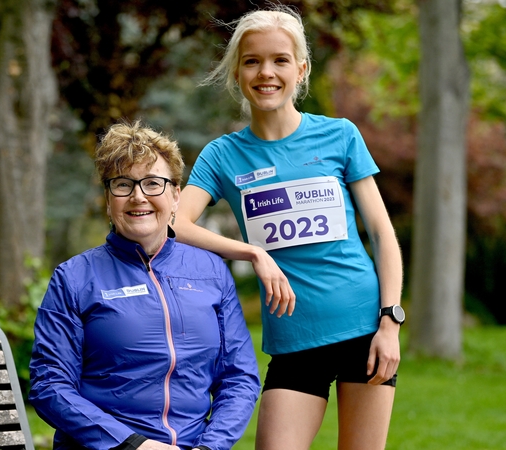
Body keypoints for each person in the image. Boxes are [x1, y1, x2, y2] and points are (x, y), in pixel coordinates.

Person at [172, 6, 404, 450]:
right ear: (237, 73)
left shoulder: (341, 136)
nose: (266, 72)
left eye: (280, 60)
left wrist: (390, 322)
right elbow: (174, 224)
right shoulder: (223, 155)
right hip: (294, 339)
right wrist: (252, 252)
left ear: (301, 69)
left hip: (365, 330)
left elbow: (381, 234)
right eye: (252, 60)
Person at [29, 121, 261, 450]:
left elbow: (239, 378)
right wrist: (134, 445)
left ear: (176, 195)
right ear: (108, 200)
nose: (139, 196)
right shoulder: (75, 277)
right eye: (123, 185)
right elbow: (50, 385)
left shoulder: (211, 270)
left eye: (153, 183)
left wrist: (210, 447)